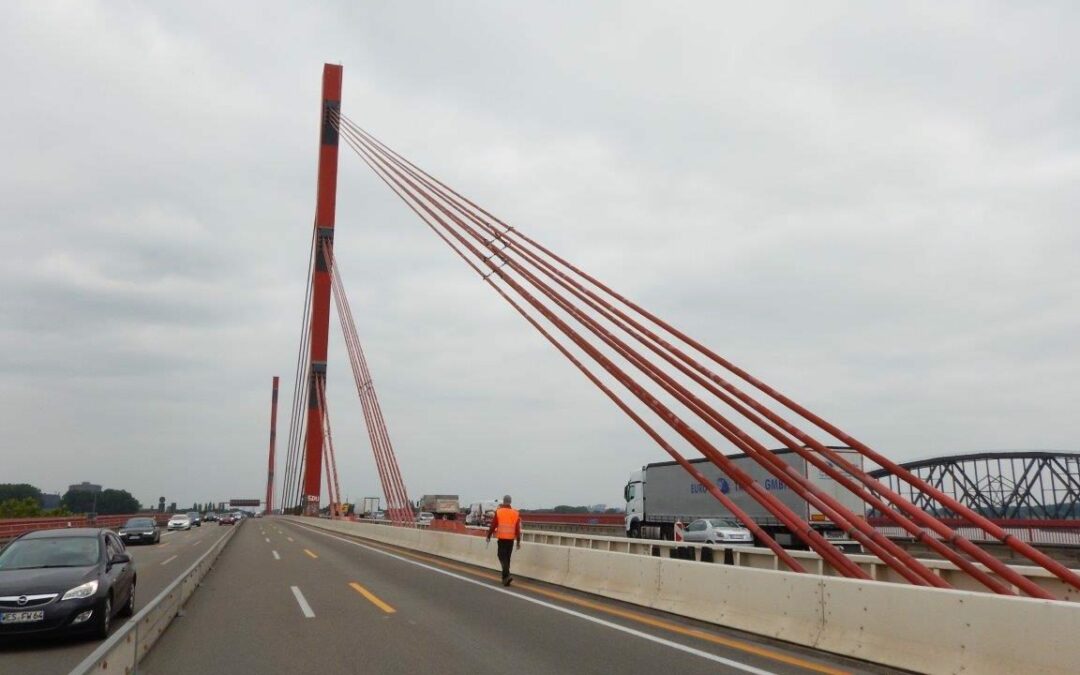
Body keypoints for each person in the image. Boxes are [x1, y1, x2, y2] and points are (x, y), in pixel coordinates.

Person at [486, 494, 522, 586]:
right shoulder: (515, 513)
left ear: (503, 501)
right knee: (507, 558)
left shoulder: (499, 512)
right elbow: (517, 529)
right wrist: (518, 541)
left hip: (502, 538)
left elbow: (493, 525)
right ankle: (505, 578)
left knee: (501, 556)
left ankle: (507, 575)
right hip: (510, 539)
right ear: (510, 502)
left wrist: (488, 535)